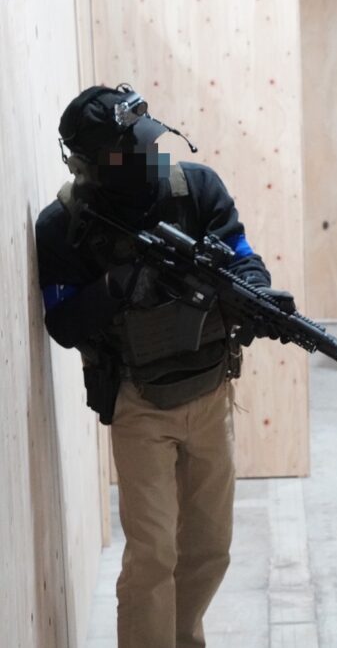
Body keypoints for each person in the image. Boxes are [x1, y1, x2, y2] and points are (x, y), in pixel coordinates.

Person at [36, 84, 284, 648]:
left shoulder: (196, 188)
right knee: (152, 555)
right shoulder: (63, 225)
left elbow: (243, 256)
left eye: (148, 143)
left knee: (210, 548)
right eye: (131, 151)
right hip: (138, 402)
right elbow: (63, 324)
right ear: (94, 163)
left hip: (210, 390)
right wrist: (117, 286)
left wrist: (255, 293)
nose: (149, 156)